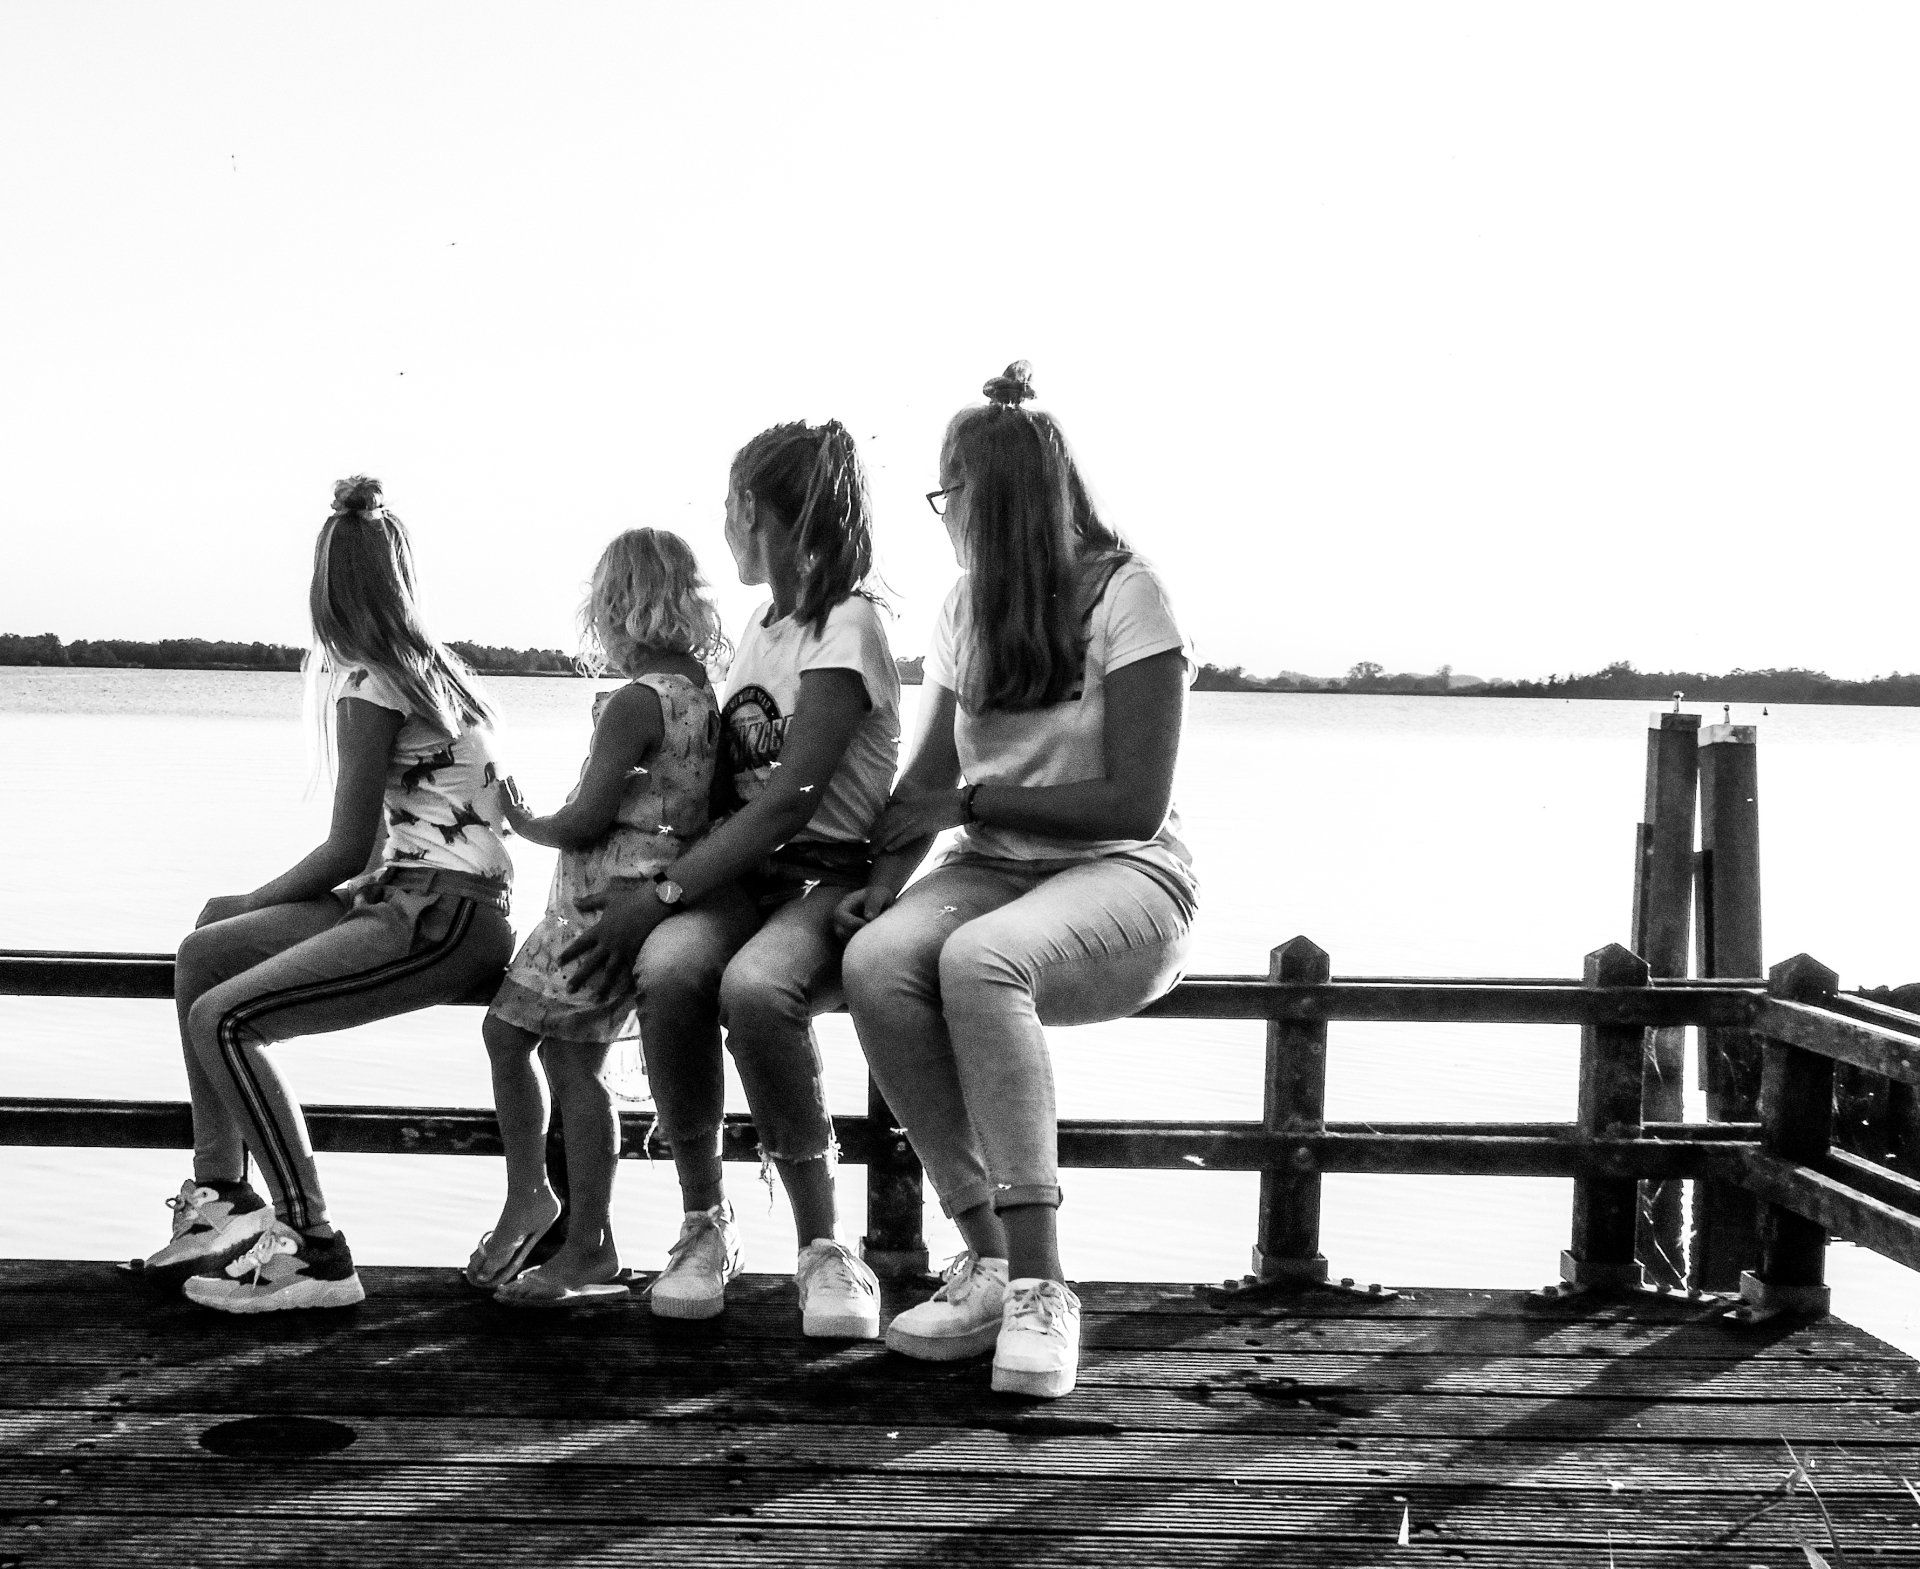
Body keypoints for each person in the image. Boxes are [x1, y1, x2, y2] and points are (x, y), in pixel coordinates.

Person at [838, 363, 1198, 1398]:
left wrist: (974, 805)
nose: (943, 517)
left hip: (1127, 876)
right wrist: (881, 881)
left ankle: (1045, 1288)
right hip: (992, 868)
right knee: (878, 961)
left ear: (988, 497)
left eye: (946, 495)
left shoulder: (1130, 594)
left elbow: (1134, 803)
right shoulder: (965, 606)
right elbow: (928, 783)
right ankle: (991, 1259)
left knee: (981, 959)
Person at [562, 420, 900, 1338]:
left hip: (822, 878)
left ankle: (825, 1245)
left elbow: (791, 799)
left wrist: (665, 892)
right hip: (745, 877)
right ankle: (703, 1220)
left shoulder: (847, 626)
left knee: (755, 987)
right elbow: (723, 783)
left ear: (758, 512)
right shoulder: (760, 628)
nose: (721, 525)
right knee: (671, 968)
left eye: (728, 506)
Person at [147, 476, 515, 1312]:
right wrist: (246, 918)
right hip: (424, 899)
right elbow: (381, 847)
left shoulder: (370, 685)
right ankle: (223, 1198)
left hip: (440, 915)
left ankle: (315, 1247)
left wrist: (250, 901)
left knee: (224, 1019)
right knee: (204, 954)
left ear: (326, 588)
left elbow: (348, 847)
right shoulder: (438, 674)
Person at [465, 529, 726, 1306]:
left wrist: (524, 820)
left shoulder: (634, 701)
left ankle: (573, 1231)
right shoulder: (699, 695)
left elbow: (586, 816)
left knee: (532, 1045)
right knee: (556, 1052)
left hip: (596, 906)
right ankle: (570, 1226)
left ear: (615, 608)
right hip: (644, 891)